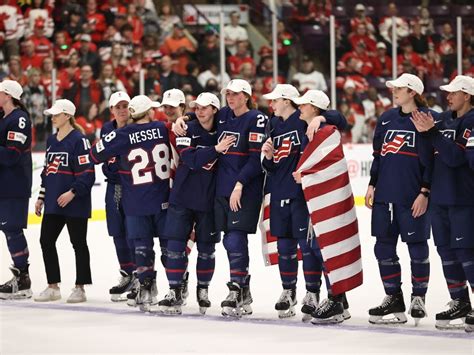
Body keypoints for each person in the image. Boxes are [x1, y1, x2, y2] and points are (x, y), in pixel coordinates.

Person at [174, 79, 266, 317]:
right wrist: (182, 119)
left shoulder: (257, 118)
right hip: (220, 190)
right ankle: (244, 288)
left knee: (234, 240)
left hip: (244, 190)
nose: (230, 97)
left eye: (235, 94)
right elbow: (201, 116)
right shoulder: (224, 114)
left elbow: (257, 160)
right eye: (228, 94)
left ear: (246, 96)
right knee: (227, 241)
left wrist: (240, 184)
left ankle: (235, 289)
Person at [261, 85, 348, 321]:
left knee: (309, 248)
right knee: (284, 247)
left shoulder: (305, 121)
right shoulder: (274, 124)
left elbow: (340, 119)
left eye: (275, 100)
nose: (271, 105)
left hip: (301, 196)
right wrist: (268, 158)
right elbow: (273, 167)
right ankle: (288, 291)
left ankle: (313, 293)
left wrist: (321, 116)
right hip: (279, 193)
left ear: (287, 101)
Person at [365, 73, 435, 325]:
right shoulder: (386, 119)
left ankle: (419, 297)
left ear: (413, 92)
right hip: (385, 196)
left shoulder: (429, 118)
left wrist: (425, 191)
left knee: (416, 247)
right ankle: (393, 296)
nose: (394, 91)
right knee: (383, 247)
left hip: (412, 197)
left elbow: (433, 161)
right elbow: (378, 157)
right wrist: (372, 184)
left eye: (399, 88)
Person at [90, 95, 171, 312]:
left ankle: (146, 287)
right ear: (149, 112)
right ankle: (175, 289)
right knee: (169, 248)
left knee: (142, 247)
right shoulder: (163, 128)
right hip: (163, 198)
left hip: (135, 199)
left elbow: (94, 155)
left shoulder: (122, 133)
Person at [158, 93, 235, 315]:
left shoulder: (225, 131)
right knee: (174, 246)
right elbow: (190, 160)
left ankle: (203, 290)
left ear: (214, 110)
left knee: (207, 249)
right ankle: (174, 290)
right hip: (182, 197)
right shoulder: (186, 129)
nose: (199, 111)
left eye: (204, 108)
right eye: (196, 108)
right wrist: (215, 150)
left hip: (209, 200)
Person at [411, 75, 474, 331]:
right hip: (440, 198)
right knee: (446, 252)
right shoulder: (444, 120)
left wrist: (433, 133)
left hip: (463, 198)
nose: (448, 97)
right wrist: (425, 135)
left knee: (466, 252)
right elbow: (430, 159)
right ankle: (460, 301)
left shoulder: (471, 122)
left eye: (454, 93)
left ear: (467, 96)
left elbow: (457, 158)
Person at [34, 99, 95, 303]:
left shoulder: (79, 140)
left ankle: (80, 287)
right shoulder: (52, 141)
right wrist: (41, 197)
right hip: (53, 202)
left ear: (67, 115)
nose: (53, 117)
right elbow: (47, 173)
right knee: (46, 240)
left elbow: (87, 173)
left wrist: (72, 193)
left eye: (56, 114)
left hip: (75, 203)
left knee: (78, 243)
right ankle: (53, 286)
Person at [100, 91, 138, 302]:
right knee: (117, 231)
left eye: (126, 106)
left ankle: (140, 277)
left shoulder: (137, 127)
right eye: (118, 107)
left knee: (134, 231)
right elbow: (106, 159)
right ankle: (127, 273)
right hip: (114, 185)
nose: (123, 110)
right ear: (112, 110)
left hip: (134, 187)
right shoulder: (107, 128)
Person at [0, 80, 33, 300]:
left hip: (14, 184)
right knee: (8, 229)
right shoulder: (3, 118)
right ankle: (21, 278)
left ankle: (23, 280)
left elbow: (12, 154)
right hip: (4, 184)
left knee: (12, 229)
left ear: (9, 95)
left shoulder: (19, 119)